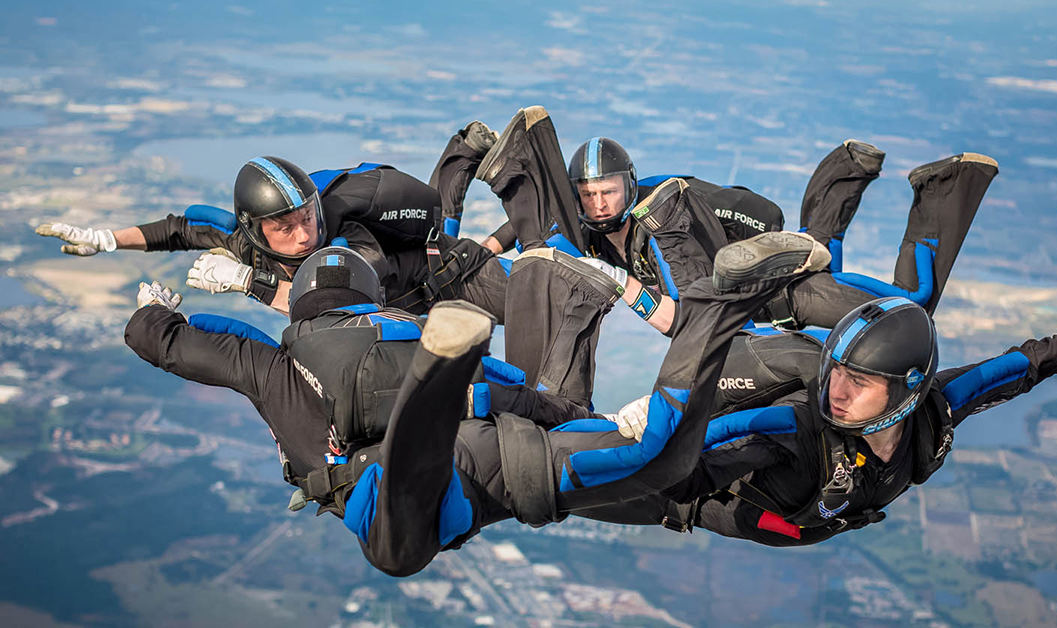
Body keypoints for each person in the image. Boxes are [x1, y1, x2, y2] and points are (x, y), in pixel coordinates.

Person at [124, 231, 834, 576]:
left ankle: (423, 418)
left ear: (305, 310)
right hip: (498, 460)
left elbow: (180, 344)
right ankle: (715, 302)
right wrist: (587, 426)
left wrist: (156, 312)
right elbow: (531, 399)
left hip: (407, 490)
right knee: (658, 460)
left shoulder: (281, 361)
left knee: (397, 547)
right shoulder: (395, 326)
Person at [575, 294, 1057, 546]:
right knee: (550, 487)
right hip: (679, 495)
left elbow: (1026, 363)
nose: (837, 392)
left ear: (907, 387)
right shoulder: (793, 433)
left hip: (801, 518)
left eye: (861, 381)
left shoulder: (936, 409)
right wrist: (661, 428)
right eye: (837, 371)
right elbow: (719, 445)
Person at [468, 105, 999, 335]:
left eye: (608, 192)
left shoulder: (669, 209)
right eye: (588, 195)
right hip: (750, 315)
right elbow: (540, 223)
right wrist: (486, 248)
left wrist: (768, 257)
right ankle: (849, 174)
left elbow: (762, 216)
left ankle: (941, 188)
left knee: (908, 311)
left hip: (787, 293)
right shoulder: (585, 224)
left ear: (630, 186)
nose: (599, 204)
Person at [37, 149, 509, 321]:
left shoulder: (342, 235)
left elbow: (337, 300)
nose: (303, 234)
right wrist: (105, 239)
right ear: (254, 229)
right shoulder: (242, 239)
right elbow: (182, 228)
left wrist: (250, 283)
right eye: (282, 226)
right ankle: (465, 154)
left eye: (306, 216)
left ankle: (482, 165)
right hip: (423, 311)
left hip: (454, 283)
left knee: (547, 290)